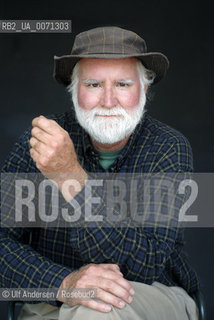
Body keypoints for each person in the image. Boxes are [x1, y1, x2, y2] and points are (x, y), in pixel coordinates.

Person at [0, 26, 200, 320]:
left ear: (144, 89)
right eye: (93, 84)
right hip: (54, 301)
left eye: (122, 84)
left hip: (154, 294)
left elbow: (145, 264)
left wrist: (70, 176)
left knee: (97, 312)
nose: (108, 101)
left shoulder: (168, 148)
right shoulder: (40, 142)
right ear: (74, 90)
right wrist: (64, 283)